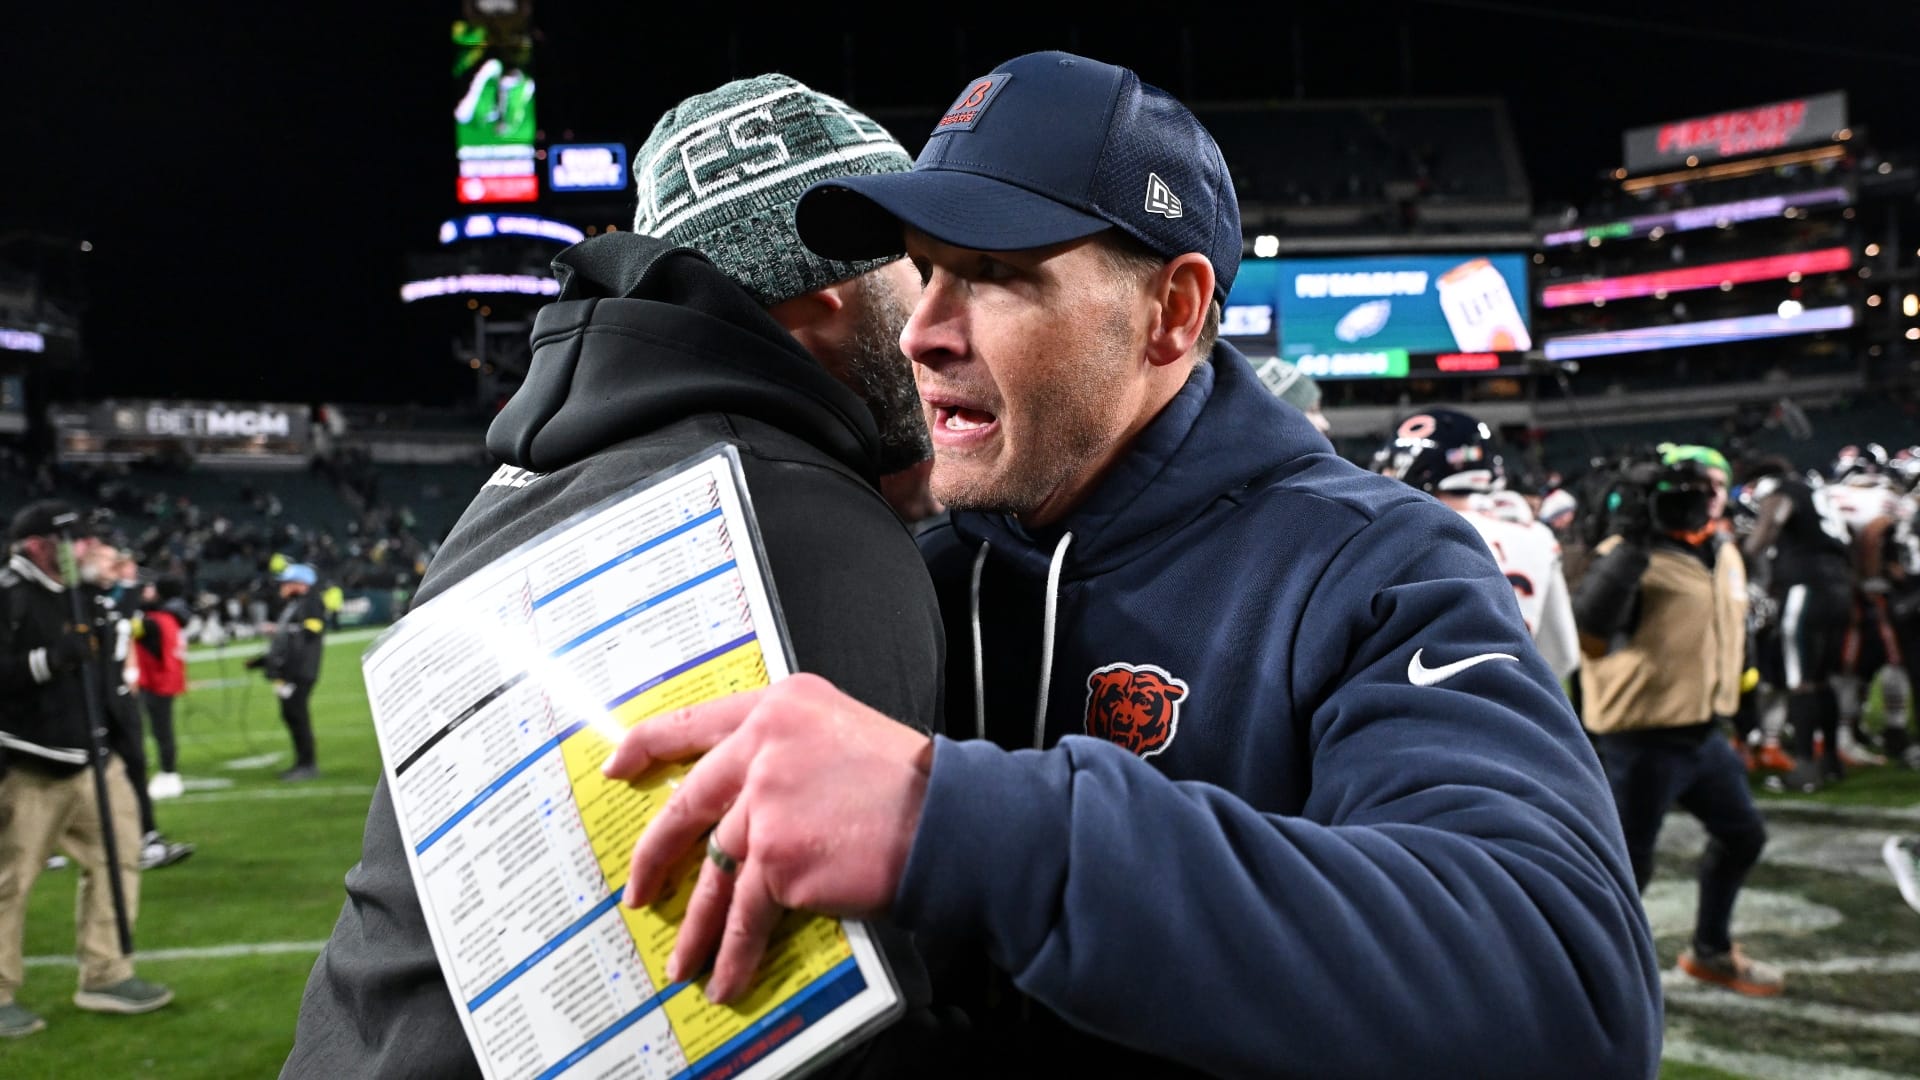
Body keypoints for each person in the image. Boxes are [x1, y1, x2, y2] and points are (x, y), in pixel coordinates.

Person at [602, 52, 1660, 1076]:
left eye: (994, 275)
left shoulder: (1375, 565)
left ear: (1174, 312)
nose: (922, 330)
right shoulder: (910, 566)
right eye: (926, 270)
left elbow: (1569, 984)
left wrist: (955, 821)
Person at [283, 75, 944, 1078]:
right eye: (920, 270)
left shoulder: (509, 496)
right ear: (828, 296)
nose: (939, 319)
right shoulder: (798, 517)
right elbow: (825, 1019)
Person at [1574, 446, 1780, 995]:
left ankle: (1710, 951)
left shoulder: (1723, 550)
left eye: (1714, 486)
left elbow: (1740, 645)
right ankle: (1592, 984)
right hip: (1636, 742)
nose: (1707, 498)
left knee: (1743, 837)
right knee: (1622, 872)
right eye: (1693, 489)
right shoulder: (1623, 551)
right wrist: (1633, 546)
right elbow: (1590, 635)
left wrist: (1750, 721)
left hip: (1702, 735)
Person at [0, 501, 174, 1038]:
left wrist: (124, 747)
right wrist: (50, 658)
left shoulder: (88, 599)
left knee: (119, 858)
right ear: (38, 547)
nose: (89, 549)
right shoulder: (10, 596)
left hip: (95, 760)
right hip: (28, 762)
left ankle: (105, 972)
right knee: (10, 880)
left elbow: (104, 682)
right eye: (76, 540)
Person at [1372, 408, 1580, 681]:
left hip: (1429, 707)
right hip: (1519, 708)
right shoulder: (1536, 534)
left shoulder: (1410, 536)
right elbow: (1563, 655)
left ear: (1416, 467)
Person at [1742, 456, 1856, 791]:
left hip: (1806, 588)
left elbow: (1769, 526)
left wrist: (1749, 545)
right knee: (1823, 680)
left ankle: (1806, 769)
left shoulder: (1781, 490)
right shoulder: (1816, 492)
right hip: (1838, 587)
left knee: (1801, 681)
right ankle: (1832, 761)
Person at [248, 563, 326, 781]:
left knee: (297, 716)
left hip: (298, 673)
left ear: (301, 584)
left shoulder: (309, 604)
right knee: (292, 715)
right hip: (292, 672)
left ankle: (307, 764)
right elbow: (291, 639)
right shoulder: (296, 605)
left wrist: (289, 674)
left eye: (287, 582)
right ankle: (303, 763)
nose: (282, 585)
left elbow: (303, 641)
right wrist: (262, 662)